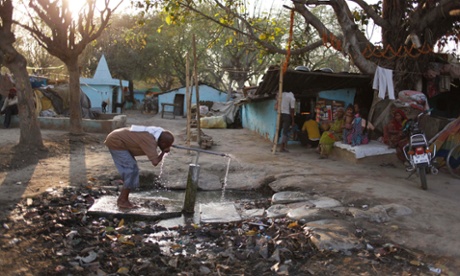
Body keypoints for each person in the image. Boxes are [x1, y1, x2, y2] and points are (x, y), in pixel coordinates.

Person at [104, 125, 175, 209]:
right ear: (163, 143)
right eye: (167, 145)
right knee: (131, 171)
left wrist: (166, 146)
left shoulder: (157, 133)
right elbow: (155, 162)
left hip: (118, 138)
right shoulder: (150, 140)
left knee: (133, 170)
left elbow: (165, 138)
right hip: (116, 142)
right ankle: (122, 201)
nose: (169, 147)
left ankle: (124, 199)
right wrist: (163, 152)